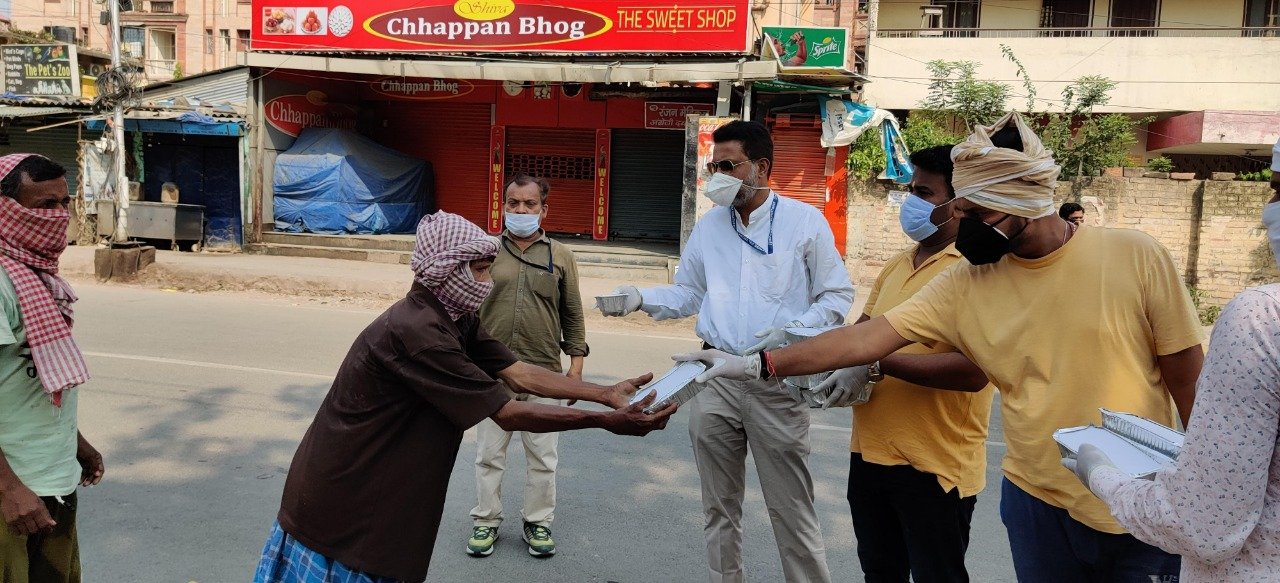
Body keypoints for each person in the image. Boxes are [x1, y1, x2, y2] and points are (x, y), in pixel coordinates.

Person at [679, 112, 1206, 582]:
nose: (964, 227)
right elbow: (865, 338)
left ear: (1021, 200)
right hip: (1035, 494)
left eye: (978, 214)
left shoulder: (1134, 256)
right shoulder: (968, 280)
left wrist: (1206, 484)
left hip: (1141, 497)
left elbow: (1189, 379)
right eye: (962, 210)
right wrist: (755, 363)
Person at [255, 212, 675, 583]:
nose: (488, 280)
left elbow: (518, 371)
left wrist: (604, 393)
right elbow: (506, 412)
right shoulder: (419, 331)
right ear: (446, 270)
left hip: (374, 485)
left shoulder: (454, 316)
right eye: (479, 269)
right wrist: (604, 421)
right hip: (347, 492)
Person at [599, 119, 854, 583]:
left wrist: (791, 332)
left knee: (792, 510)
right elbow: (689, 293)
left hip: (775, 379)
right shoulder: (710, 226)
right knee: (718, 507)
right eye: (714, 167)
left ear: (762, 167)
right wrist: (639, 296)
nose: (717, 176)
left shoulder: (803, 222)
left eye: (728, 166)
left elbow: (835, 297)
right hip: (713, 377)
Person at [1061, 140, 1280, 582]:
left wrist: (1101, 475)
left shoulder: (1263, 317)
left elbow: (1204, 527)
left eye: (1278, 189)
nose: (1269, 208)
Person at [840, 145, 994, 583]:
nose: (910, 202)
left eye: (924, 193)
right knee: (879, 573)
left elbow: (975, 372)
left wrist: (878, 361)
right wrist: (817, 356)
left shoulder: (978, 270)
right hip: (869, 454)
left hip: (936, 466)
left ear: (959, 203)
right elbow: (861, 334)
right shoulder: (897, 263)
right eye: (910, 190)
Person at [467, 175, 588, 559]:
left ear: (543, 210)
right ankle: (486, 520)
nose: (521, 210)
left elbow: (573, 314)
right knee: (489, 455)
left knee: (543, 458)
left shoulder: (561, 256)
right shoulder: (485, 251)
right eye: (514, 203)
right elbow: (467, 308)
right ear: (503, 206)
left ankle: (538, 522)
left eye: (529, 204)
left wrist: (575, 371)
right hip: (492, 374)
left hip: (544, 373)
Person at [0, 154, 103, 583]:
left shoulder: (37, 274)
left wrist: (76, 442)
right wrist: (9, 489)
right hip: (12, 492)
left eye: (64, 203)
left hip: (51, 480)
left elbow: (33, 377)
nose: (58, 216)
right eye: (44, 205)